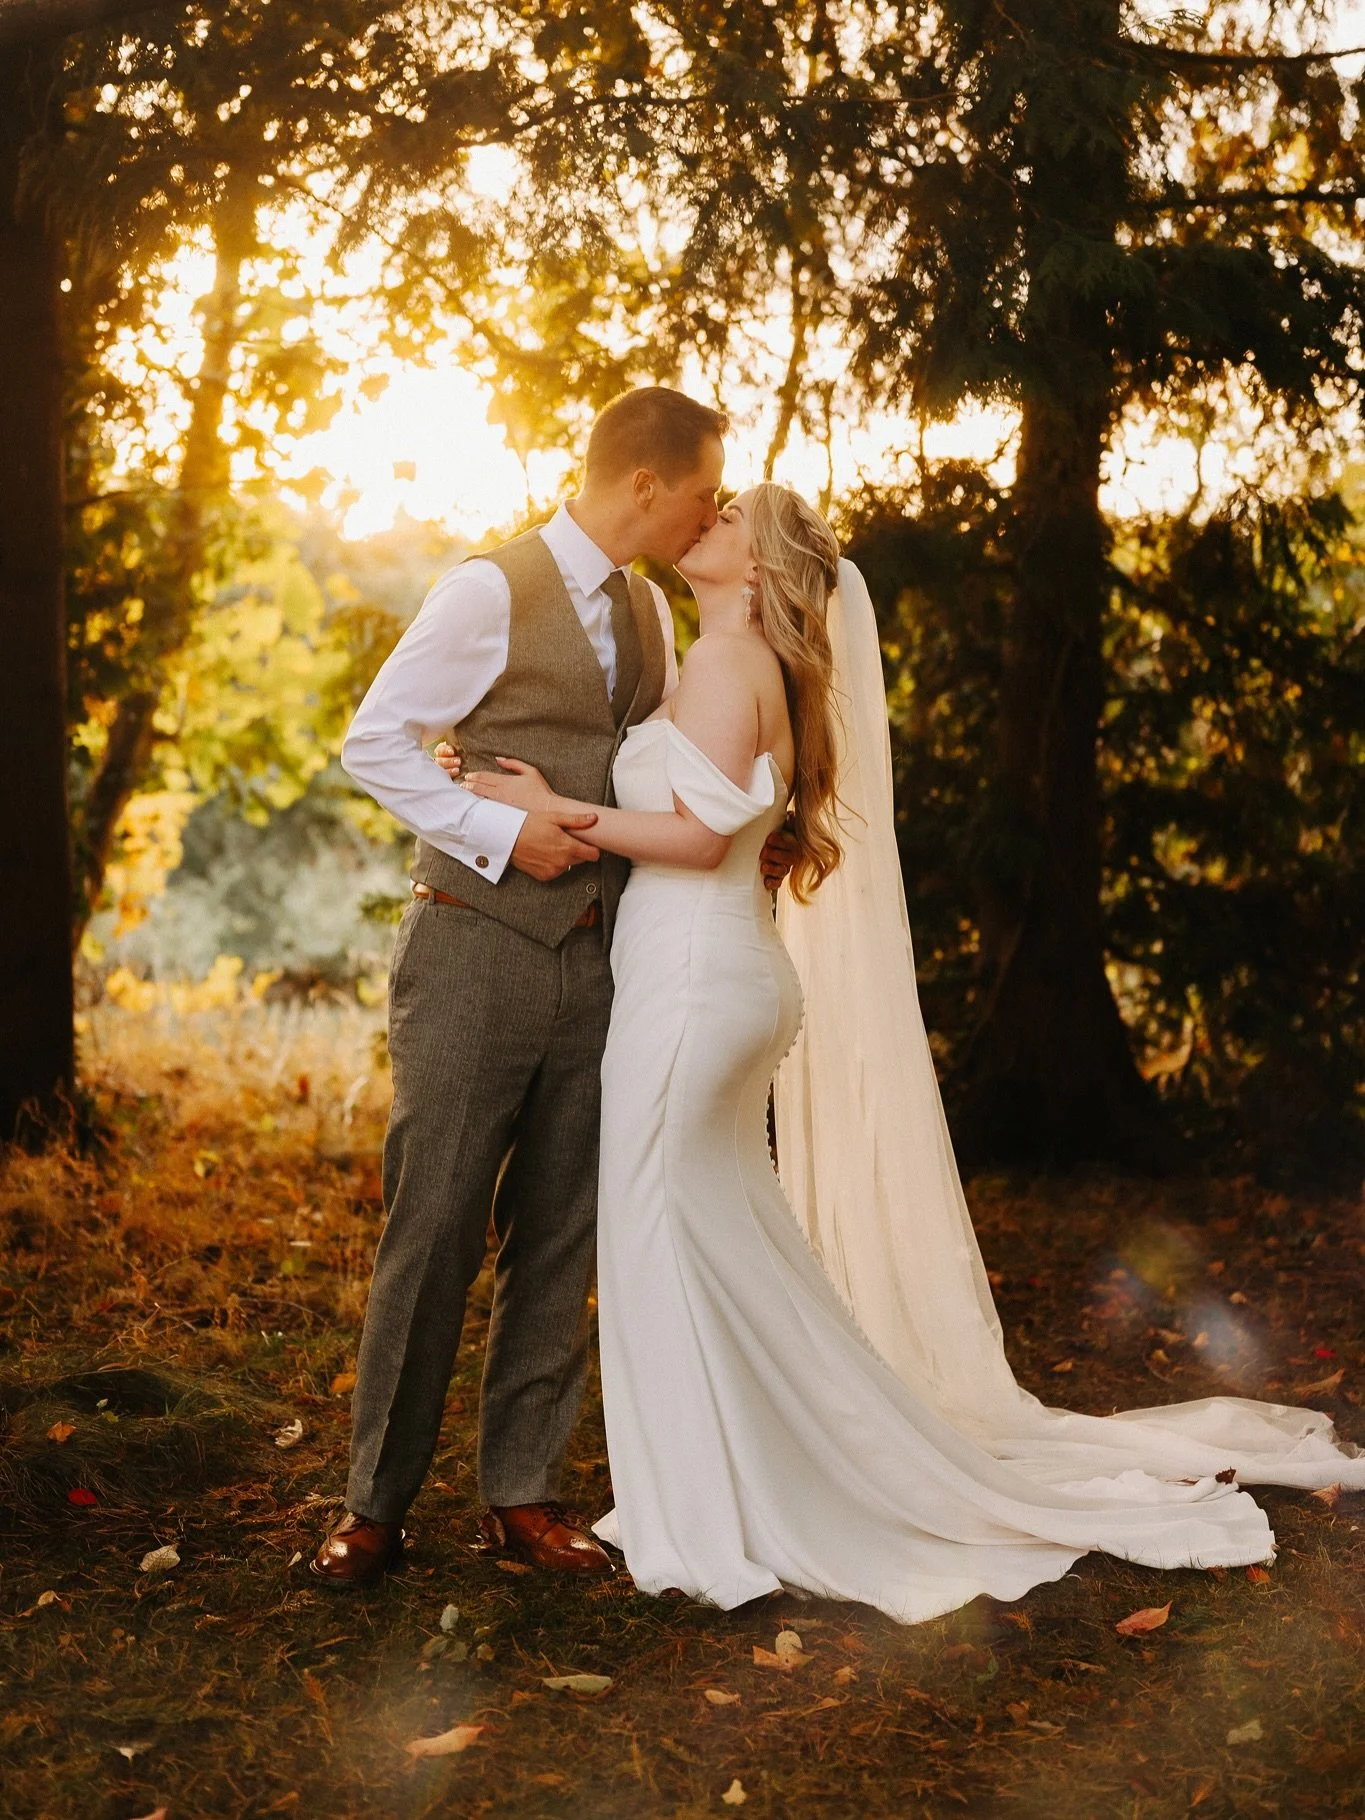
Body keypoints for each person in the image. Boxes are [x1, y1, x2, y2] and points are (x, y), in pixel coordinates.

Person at [458, 480, 1365, 1622]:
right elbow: (733, 819)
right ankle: (747, 1478)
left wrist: (562, 812)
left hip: (694, 984)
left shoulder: (735, 665)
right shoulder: (736, 666)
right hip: (717, 977)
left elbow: (695, 836)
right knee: (720, 1240)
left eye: (731, 519)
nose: (707, 523)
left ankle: (716, 1505)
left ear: (764, 568)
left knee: (660, 1236)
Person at [310, 387, 795, 1588]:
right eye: (702, 489)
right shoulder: (486, 589)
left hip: (606, 960)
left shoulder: (647, 610)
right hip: (474, 946)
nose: (708, 509)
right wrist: (494, 828)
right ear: (646, 482)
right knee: (433, 1226)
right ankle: (375, 1501)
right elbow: (374, 740)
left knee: (561, 1233)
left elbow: (688, 765)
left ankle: (519, 1490)